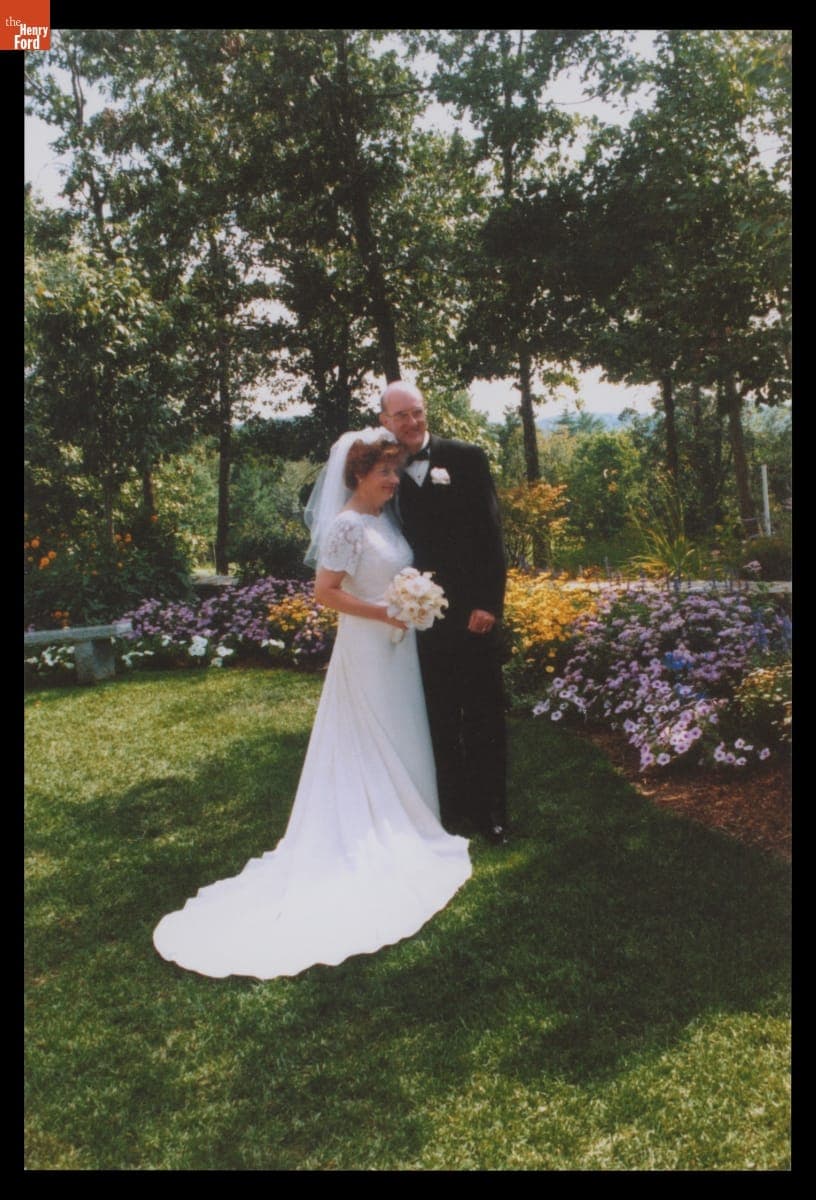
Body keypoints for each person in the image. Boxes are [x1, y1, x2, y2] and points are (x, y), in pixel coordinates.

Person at [153, 428, 471, 980]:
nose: (394, 480)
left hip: (397, 644)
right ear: (357, 476)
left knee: (401, 726)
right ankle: (378, 829)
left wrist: (411, 599)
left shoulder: (383, 520)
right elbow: (325, 593)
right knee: (372, 730)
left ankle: (414, 818)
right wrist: (386, 613)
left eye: (396, 471)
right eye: (385, 472)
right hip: (370, 646)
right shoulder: (347, 525)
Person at [380, 382, 509, 845]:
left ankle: (491, 810)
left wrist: (487, 604)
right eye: (401, 416)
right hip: (417, 618)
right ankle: (449, 805)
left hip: (472, 614)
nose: (412, 423)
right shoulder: (382, 468)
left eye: (417, 413)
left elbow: (491, 536)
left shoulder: (467, 458)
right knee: (434, 714)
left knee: (482, 715)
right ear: (384, 422)